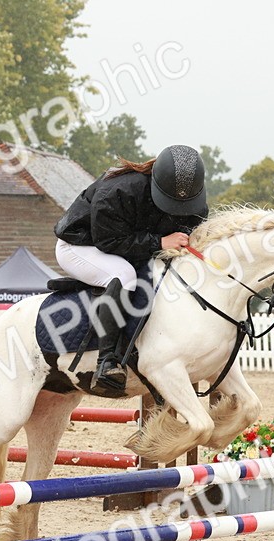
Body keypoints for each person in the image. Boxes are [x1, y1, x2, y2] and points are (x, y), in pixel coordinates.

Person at [54, 144, 209, 390]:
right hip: (81, 246)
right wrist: (160, 242)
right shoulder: (118, 191)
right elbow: (108, 242)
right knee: (122, 274)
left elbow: (190, 231)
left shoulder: (192, 198)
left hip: (124, 245)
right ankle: (107, 361)